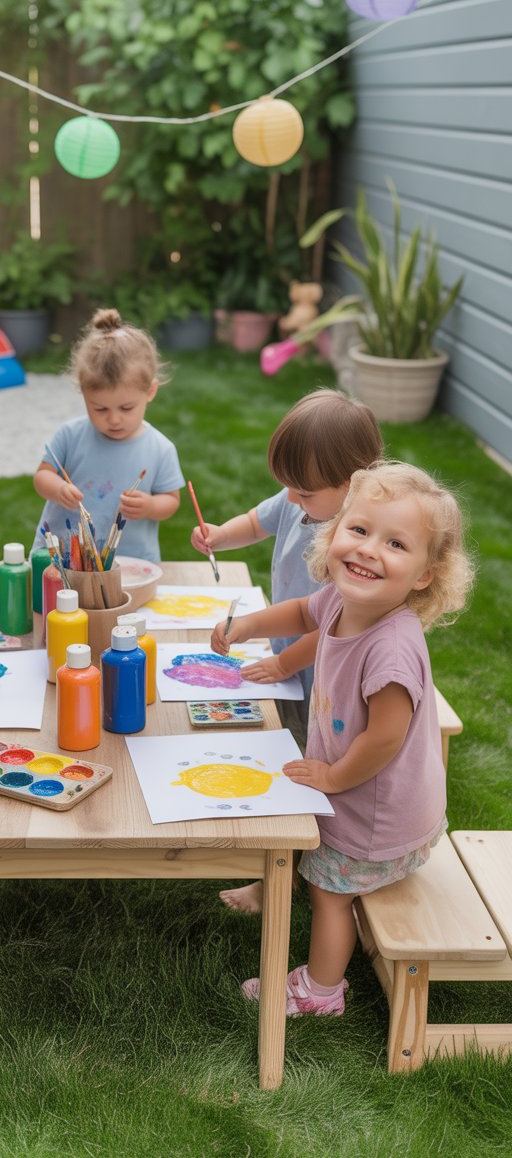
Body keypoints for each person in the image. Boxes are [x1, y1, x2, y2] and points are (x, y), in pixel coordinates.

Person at [211, 462, 474, 1017]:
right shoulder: (343, 600)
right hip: (357, 786)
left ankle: (321, 991)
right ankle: (267, 888)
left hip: (379, 814)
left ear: (426, 574)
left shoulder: (392, 649)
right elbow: (303, 614)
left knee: (328, 894)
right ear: (333, 534)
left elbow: (384, 740)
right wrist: (246, 630)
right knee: (290, 821)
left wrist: (330, 777)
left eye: (396, 543)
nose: (368, 550)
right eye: (358, 530)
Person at [192, 388, 383, 914]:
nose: (292, 501)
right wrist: (218, 535)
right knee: (289, 750)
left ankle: (288, 872)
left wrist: (282, 662)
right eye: (289, 489)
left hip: (329, 680)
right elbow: (259, 520)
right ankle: (285, 863)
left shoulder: (358, 546)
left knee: (308, 767)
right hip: (293, 664)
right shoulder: (303, 499)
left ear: (352, 484)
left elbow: (333, 625)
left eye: (303, 492)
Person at [33, 308, 184, 564]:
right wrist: (58, 488)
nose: (114, 419)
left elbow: (171, 501)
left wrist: (149, 506)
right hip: (64, 557)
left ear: (150, 391)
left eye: (126, 408)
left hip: (129, 562)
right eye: (99, 408)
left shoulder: (161, 448)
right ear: (84, 393)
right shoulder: (70, 435)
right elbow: (42, 476)